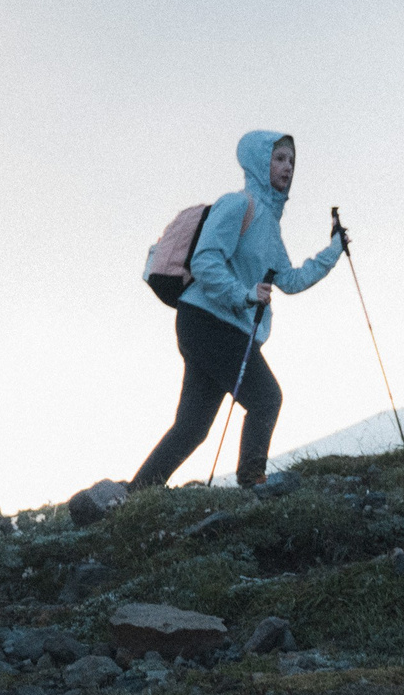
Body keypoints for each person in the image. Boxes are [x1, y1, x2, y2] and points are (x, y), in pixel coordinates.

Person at [130, 131, 343, 490]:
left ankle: (137, 493)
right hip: (207, 321)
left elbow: (289, 280)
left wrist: (334, 250)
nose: (287, 167)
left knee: (192, 427)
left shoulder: (270, 227)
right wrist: (244, 295)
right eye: (279, 158)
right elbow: (205, 261)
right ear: (260, 162)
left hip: (221, 327)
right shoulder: (237, 204)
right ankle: (252, 480)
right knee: (266, 398)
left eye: (291, 160)